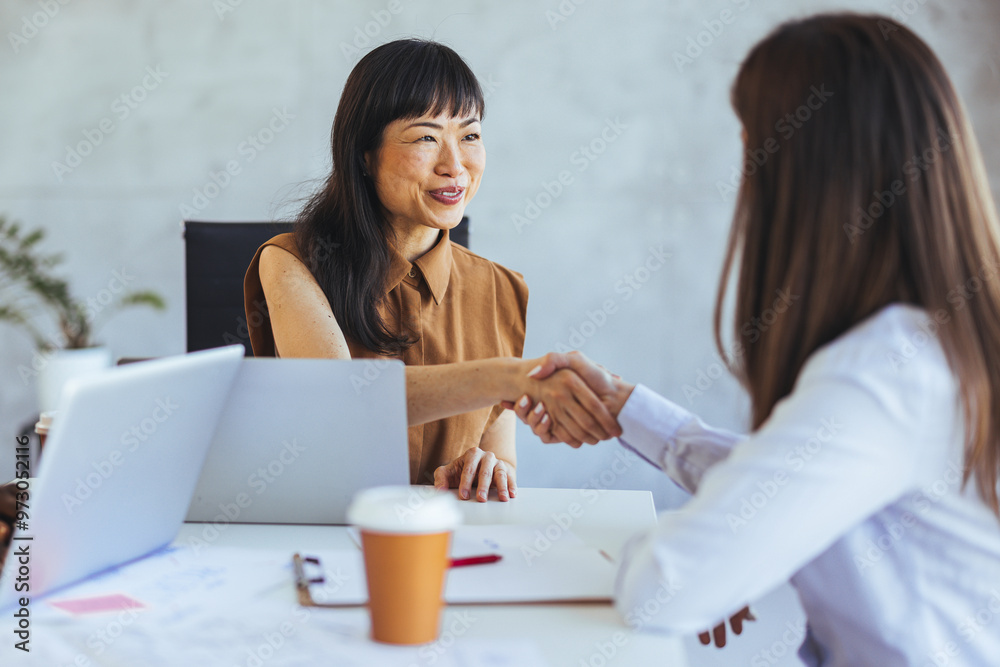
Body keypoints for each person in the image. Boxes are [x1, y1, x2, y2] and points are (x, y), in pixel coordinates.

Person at [511, 13, 1000, 664]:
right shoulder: (936, 343)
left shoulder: (884, 369)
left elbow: (665, 585)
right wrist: (632, 411)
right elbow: (804, 476)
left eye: (754, 143)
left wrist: (704, 548)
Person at [243, 39, 619, 502]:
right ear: (365, 154)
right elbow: (342, 405)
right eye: (426, 137)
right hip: (324, 536)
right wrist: (509, 376)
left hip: (448, 544)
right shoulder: (290, 262)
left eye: (470, 135)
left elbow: (503, 462)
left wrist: (486, 468)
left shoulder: (501, 289)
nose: (455, 165)